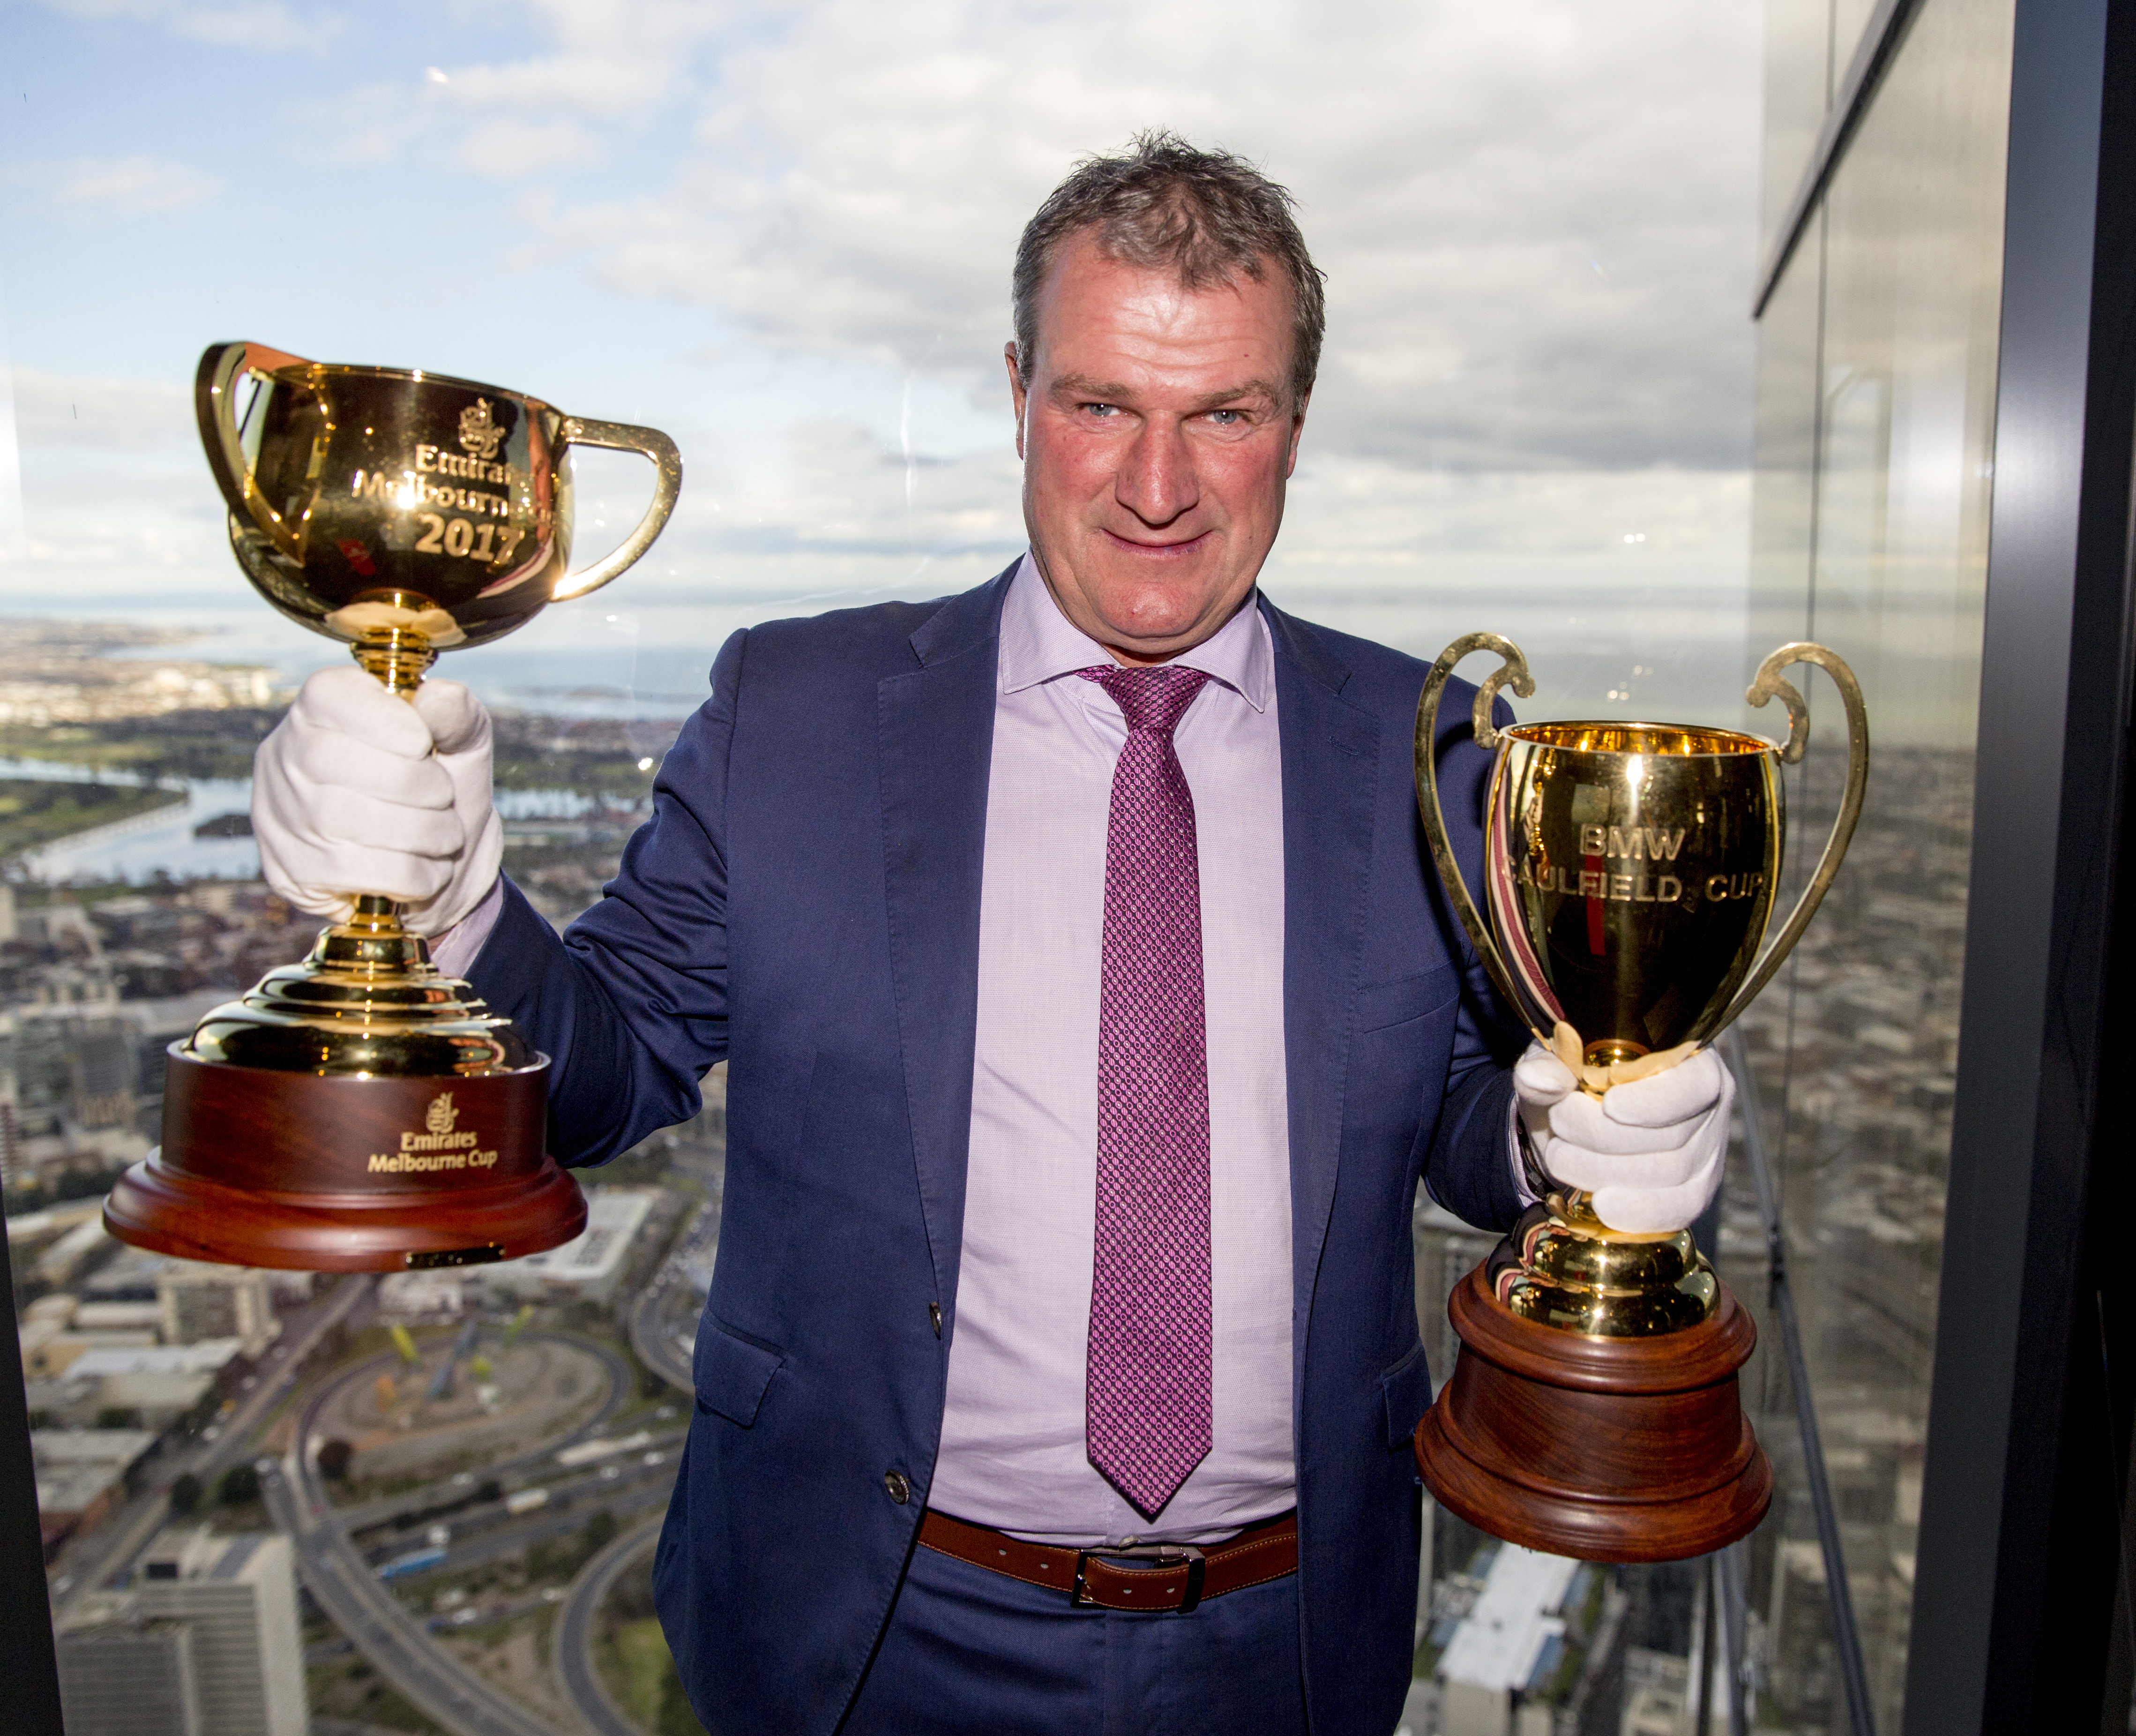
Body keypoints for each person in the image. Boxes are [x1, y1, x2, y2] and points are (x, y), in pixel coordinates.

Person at [253, 133, 1731, 1736]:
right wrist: (452, 895)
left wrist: (1552, 1136)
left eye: (1221, 414)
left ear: (1294, 428)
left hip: (1287, 1642)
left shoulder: (1438, 743)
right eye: (1102, 404)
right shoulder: (795, 710)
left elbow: (1459, 1115)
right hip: (862, 1630)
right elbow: (605, 1078)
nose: (1156, 488)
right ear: (1017, 391)